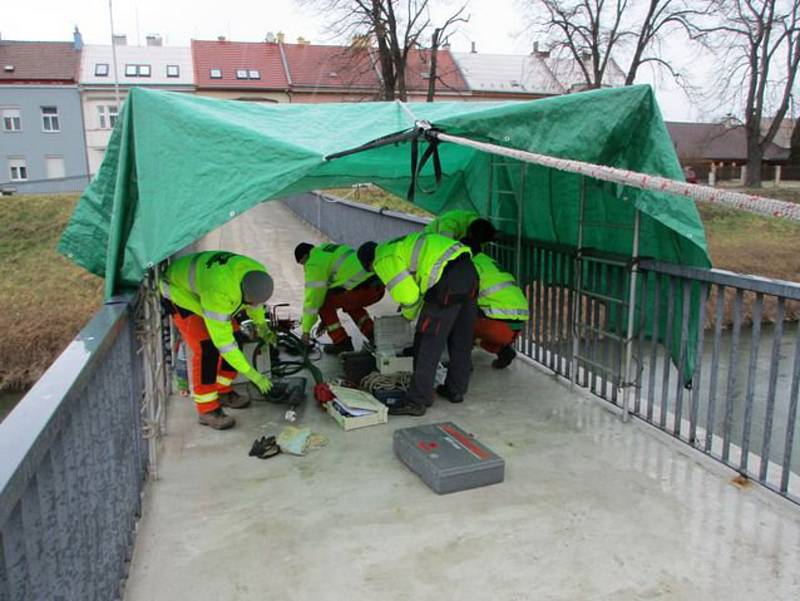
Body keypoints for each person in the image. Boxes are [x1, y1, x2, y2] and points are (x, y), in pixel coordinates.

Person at [357, 233, 478, 416]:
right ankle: (456, 389)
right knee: (461, 338)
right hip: (469, 273)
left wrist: (407, 316)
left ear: (369, 263)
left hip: (446, 281)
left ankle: (417, 401)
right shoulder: (396, 245)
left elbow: (409, 297)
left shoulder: (383, 260)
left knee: (426, 343)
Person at [161, 251, 275, 430]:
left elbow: (255, 305)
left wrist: (263, 327)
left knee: (237, 335)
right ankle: (206, 410)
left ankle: (222, 390)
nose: (252, 306)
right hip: (180, 293)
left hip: (204, 285)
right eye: (249, 302)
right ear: (242, 292)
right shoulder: (220, 293)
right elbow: (224, 344)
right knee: (207, 348)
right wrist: (252, 374)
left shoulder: (256, 272)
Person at [294, 242, 384, 353]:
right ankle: (372, 334)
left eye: (303, 264)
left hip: (361, 290)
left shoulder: (313, 262)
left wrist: (306, 331)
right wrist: (327, 319)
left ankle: (341, 342)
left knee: (323, 302)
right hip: (376, 287)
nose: (304, 267)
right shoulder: (328, 250)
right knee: (349, 303)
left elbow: (313, 299)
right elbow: (341, 283)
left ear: (304, 256)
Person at [462, 238, 529, 369]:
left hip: (496, 324)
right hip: (516, 325)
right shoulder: (488, 261)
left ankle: (461, 363)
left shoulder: (469, 265)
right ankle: (503, 350)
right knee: (476, 311)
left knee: (457, 318)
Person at [423, 209, 497, 246]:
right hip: (428, 244)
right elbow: (445, 247)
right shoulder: (450, 223)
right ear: (470, 234)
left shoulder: (479, 226)